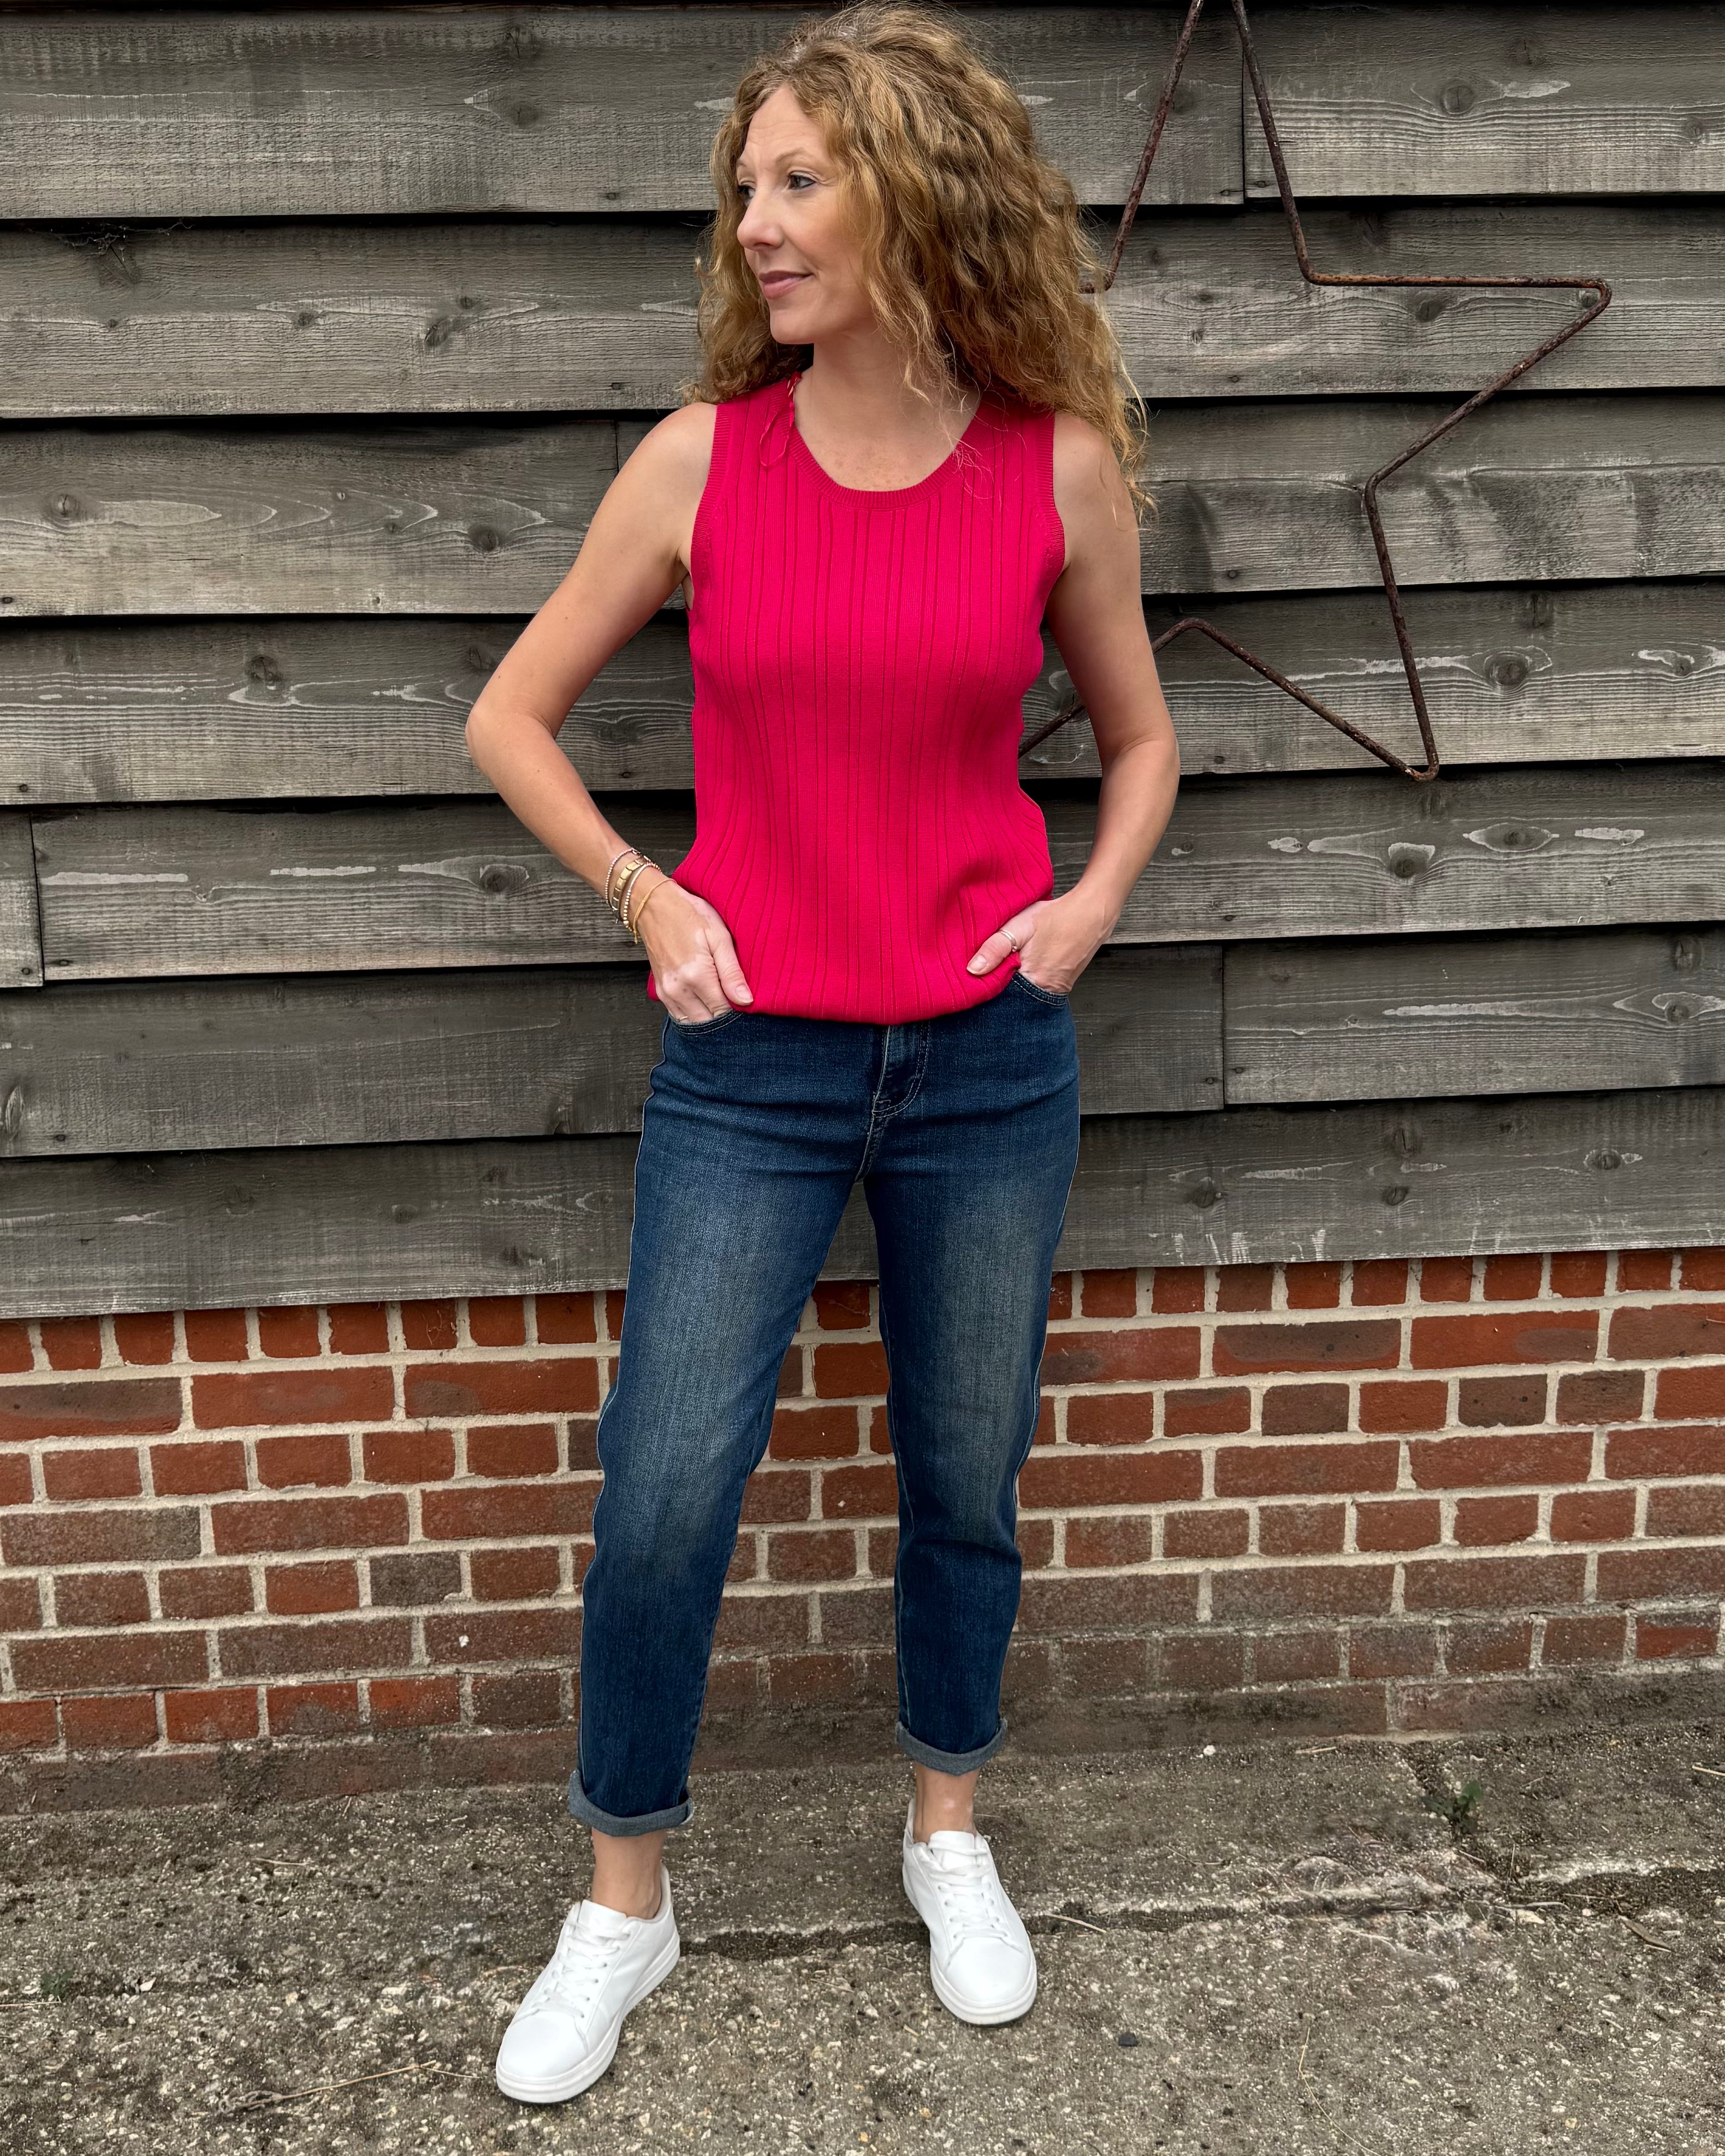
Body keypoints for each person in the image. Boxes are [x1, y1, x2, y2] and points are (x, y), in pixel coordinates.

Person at [462, 0, 1179, 2107]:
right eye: (746, 188)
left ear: (915, 186)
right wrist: (646, 894)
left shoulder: (1057, 468)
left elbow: (1140, 740)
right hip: (753, 1065)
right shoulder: (703, 462)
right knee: (667, 1489)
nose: (757, 225)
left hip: (984, 1061)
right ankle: (625, 1901)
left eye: (799, 179)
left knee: (966, 1473)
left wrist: (1087, 911)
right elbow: (510, 715)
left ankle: (946, 1829)